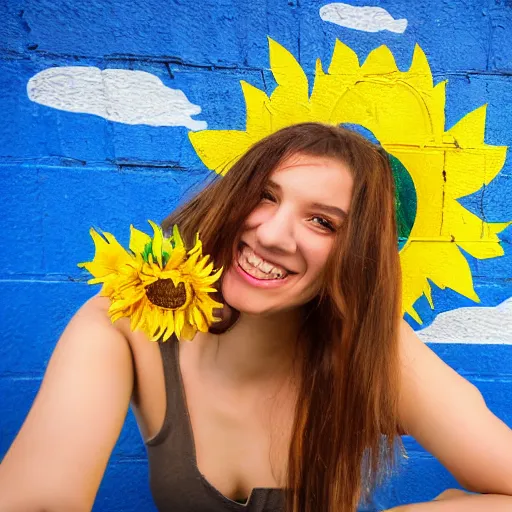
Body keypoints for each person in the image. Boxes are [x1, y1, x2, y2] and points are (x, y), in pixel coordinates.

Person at [0, 123, 511, 512]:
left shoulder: (377, 349)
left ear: (357, 257)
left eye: (321, 222)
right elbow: (40, 500)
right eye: (266, 195)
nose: (271, 235)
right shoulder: (127, 320)